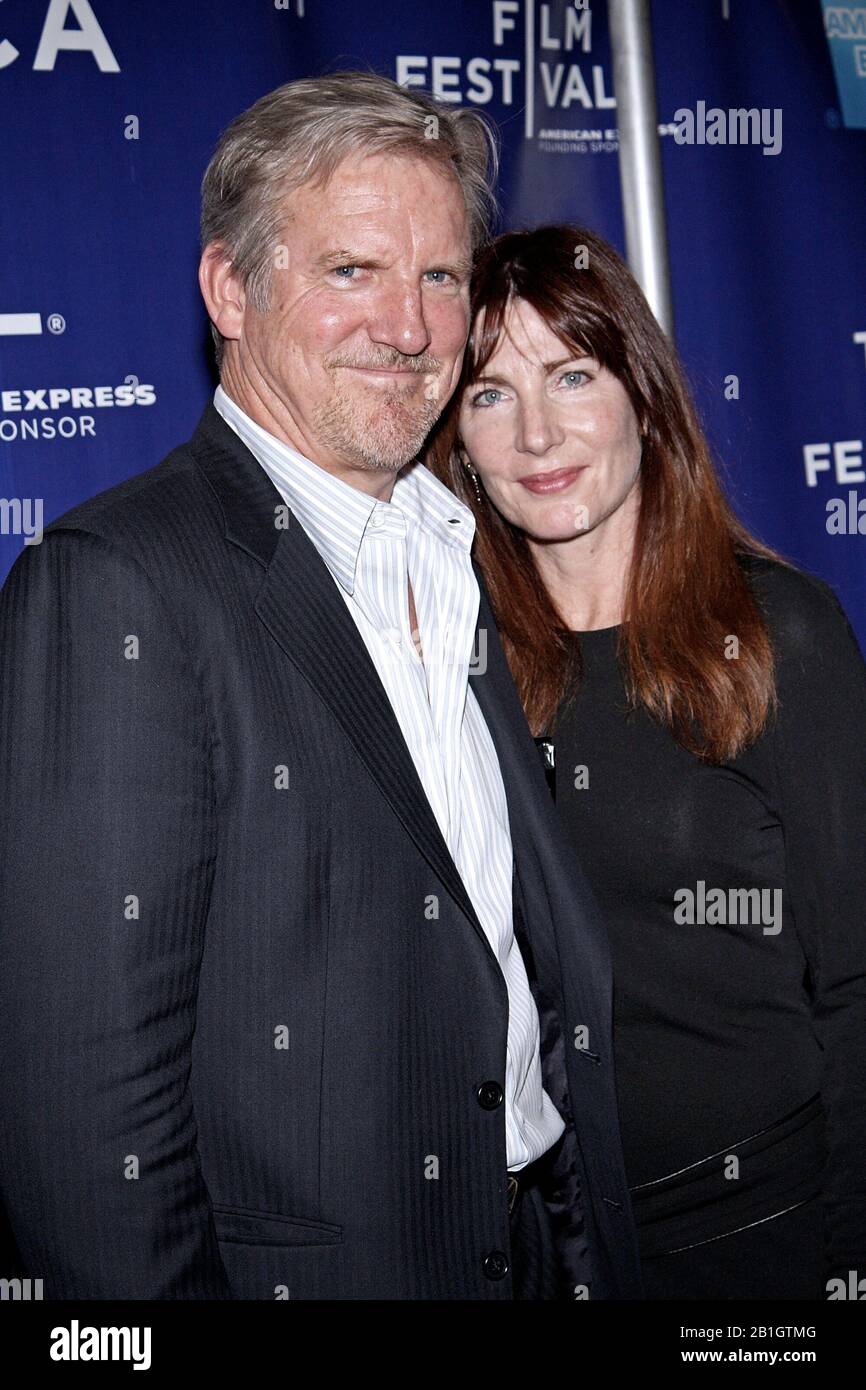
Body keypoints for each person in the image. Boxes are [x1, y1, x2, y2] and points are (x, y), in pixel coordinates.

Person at [0, 82, 643, 1301]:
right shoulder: (121, 585)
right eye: (352, 270)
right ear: (229, 291)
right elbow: (82, 1113)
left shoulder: (450, 546)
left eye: (442, 278)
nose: (408, 328)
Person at [428, 223, 866, 1300]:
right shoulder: (451, 660)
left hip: (762, 1236)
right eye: (487, 394)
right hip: (542, 1245)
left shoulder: (775, 636)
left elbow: (856, 980)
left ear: (643, 396)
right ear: (457, 442)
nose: (535, 432)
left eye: (571, 375)